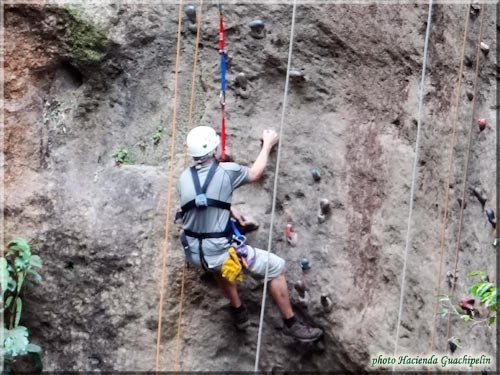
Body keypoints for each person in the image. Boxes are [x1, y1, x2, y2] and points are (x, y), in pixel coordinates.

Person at [177, 125, 323, 342]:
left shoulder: (184, 177)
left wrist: (229, 210)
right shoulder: (226, 171)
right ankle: (292, 324)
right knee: (276, 267)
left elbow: (202, 201)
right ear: (214, 150)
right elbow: (255, 173)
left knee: (218, 263)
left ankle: (238, 311)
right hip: (217, 253)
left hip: (194, 253)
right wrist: (267, 145)